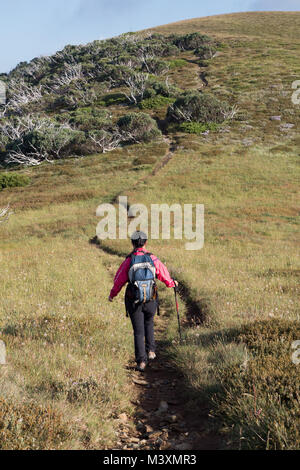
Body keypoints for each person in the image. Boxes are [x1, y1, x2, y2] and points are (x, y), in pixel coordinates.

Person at [108, 231, 178, 372]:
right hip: (151, 298)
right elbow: (163, 274)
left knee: (138, 331)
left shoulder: (129, 260)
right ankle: (151, 350)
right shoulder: (152, 258)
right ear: (145, 242)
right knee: (149, 323)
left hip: (134, 300)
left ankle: (141, 362)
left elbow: (119, 280)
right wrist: (172, 283)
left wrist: (112, 295)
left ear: (132, 243)